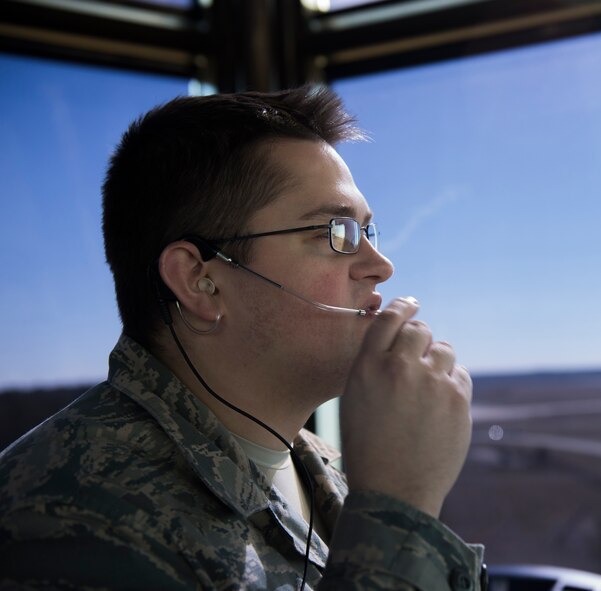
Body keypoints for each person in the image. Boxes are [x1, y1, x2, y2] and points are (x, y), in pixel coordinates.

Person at [0, 86, 485, 590]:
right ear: (199, 280)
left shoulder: (323, 468)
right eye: (335, 232)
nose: (380, 266)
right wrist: (401, 509)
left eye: (367, 231)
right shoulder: (71, 517)